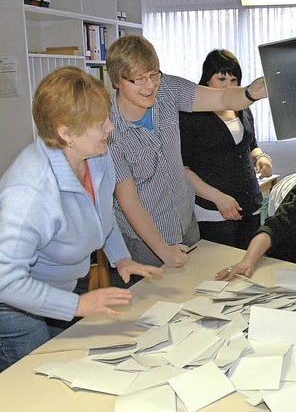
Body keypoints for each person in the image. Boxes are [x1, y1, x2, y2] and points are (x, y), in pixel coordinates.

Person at [0, 67, 162, 371]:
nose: (110, 128)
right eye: (99, 123)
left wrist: (121, 258)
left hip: (62, 285)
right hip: (11, 304)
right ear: (66, 133)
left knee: (71, 366)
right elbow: (5, 280)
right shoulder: (30, 192)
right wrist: (78, 305)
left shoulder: (97, 158)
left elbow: (99, 213)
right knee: (35, 382)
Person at [105, 35, 266, 287]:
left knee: (194, 293)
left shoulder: (168, 89)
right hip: (146, 238)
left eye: (154, 74)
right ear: (117, 80)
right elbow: (129, 201)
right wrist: (163, 250)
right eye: (139, 79)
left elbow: (221, 99)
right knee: (154, 308)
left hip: (184, 221)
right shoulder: (110, 131)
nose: (150, 86)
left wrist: (249, 93)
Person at [179, 49, 272, 250]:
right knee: (218, 271)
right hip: (214, 209)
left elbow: (251, 145)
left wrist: (261, 158)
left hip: (249, 203)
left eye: (233, 80)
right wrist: (218, 198)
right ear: (207, 80)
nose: (228, 86)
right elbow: (183, 169)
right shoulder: (191, 114)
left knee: (249, 266)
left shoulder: (242, 107)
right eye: (221, 79)